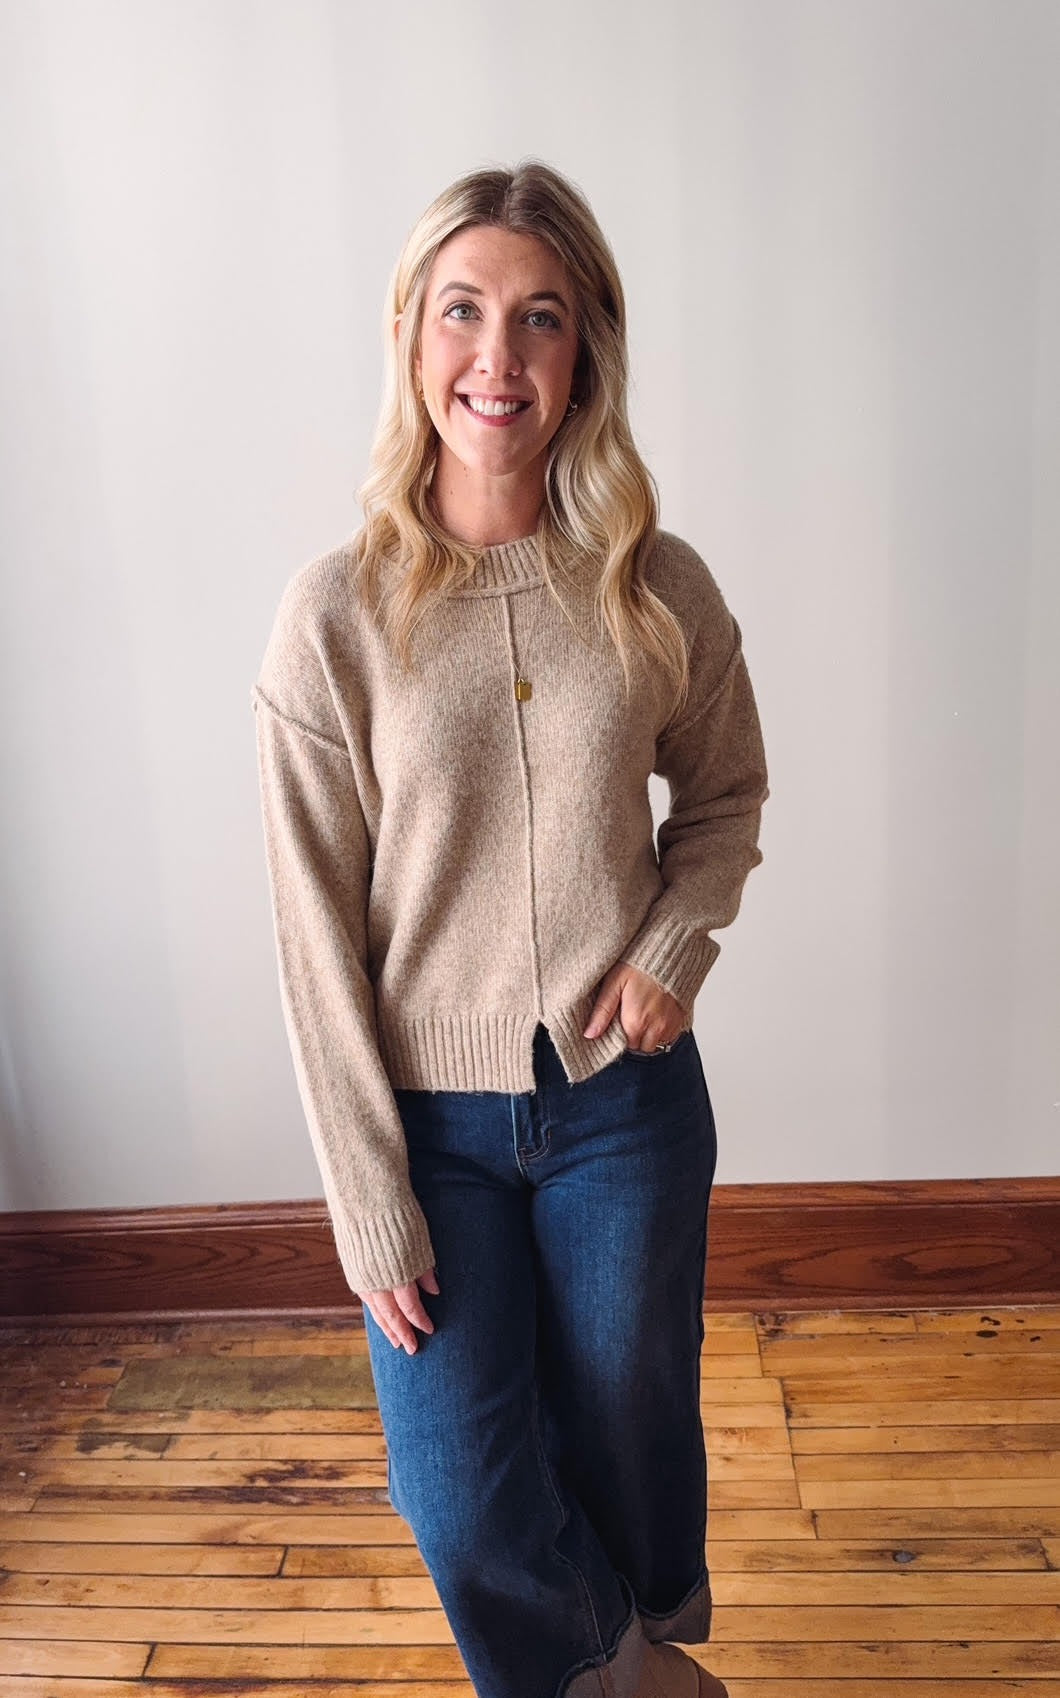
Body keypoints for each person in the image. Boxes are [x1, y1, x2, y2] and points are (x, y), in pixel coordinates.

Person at [251, 157, 768, 1698]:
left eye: (541, 318)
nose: (500, 356)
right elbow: (309, 932)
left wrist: (676, 946)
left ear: (587, 350)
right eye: (465, 310)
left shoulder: (655, 585)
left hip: (623, 1109)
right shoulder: (334, 616)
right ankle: (638, 1675)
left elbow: (729, 796)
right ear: (413, 335)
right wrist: (365, 1194)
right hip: (430, 1133)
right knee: (460, 1489)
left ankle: (631, 1644)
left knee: (627, 1429)